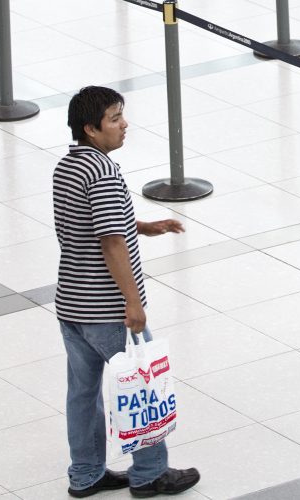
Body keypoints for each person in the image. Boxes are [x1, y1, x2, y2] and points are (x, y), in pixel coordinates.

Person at [53, 86, 200, 498]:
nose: (124, 125)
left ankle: (85, 474)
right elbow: (109, 241)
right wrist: (133, 303)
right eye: (115, 119)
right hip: (108, 308)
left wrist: (145, 226)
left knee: (83, 393)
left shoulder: (68, 166)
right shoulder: (101, 170)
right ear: (91, 129)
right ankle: (151, 473)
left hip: (72, 305)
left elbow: (93, 222)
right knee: (142, 386)